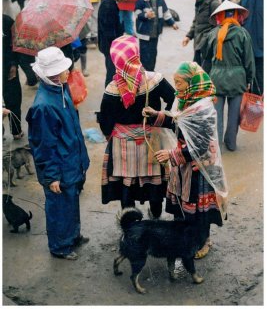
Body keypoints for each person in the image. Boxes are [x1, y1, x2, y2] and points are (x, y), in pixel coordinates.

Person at [143, 61, 228, 259]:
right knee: (184, 208)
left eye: (179, 83)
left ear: (192, 84)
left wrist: (172, 155)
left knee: (200, 211)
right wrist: (156, 115)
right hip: (184, 166)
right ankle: (184, 240)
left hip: (201, 169)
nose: (177, 87)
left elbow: (201, 146)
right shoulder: (184, 102)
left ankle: (203, 241)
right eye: (175, 82)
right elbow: (176, 122)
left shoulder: (204, 109)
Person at [98, 35, 176, 218]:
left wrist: (109, 134)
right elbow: (174, 98)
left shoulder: (112, 89)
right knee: (154, 179)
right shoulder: (154, 80)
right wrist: (164, 119)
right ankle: (155, 215)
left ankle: (130, 221)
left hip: (122, 143)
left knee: (127, 182)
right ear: (136, 55)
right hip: (152, 139)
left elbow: (105, 120)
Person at [26, 47, 90, 260]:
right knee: (59, 206)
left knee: (71, 200)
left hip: (70, 160)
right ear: (53, 74)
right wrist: (51, 175)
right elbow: (43, 146)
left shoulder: (60, 90)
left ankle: (72, 235)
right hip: (60, 166)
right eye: (63, 70)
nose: (67, 72)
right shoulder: (43, 106)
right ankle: (60, 246)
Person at [202, 0, 255, 151]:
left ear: (220, 16)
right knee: (234, 115)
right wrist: (249, 79)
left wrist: (205, 80)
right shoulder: (243, 34)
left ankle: (216, 147)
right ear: (237, 15)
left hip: (216, 79)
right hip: (238, 80)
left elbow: (206, 59)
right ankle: (231, 145)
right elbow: (249, 61)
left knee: (216, 115)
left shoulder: (213, 34)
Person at [135, 0, 179, 71]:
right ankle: (144, 72)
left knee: (153, 53)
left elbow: (166, 13)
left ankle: (151, 70)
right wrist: (146, 15)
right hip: (144, 33)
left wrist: (172, 23)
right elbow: (137, 13)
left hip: (155, 33)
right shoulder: (141, 0)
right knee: (144, 53)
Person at [98, 0, 133, 87]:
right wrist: (118, 44)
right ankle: (109, 96)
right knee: (111, 74)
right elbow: (109, 31)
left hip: (110, 45)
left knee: (113, 72)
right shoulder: (109, 5)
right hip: (110, 47)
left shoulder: (110, 1)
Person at [182, 0, 220, 66]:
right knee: (196, 70)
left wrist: (209, 40)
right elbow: (196, 21)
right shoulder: (199, 2)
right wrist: (189, 36)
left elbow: (219, 25)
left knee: (204, 71)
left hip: (207, 45)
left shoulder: (214, 4)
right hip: (198, 43)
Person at [240, 0, 263, 95]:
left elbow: (238, 23)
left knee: (247, 77)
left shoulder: (245, 0)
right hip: (262, 47)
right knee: (261, 77)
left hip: (246, 45)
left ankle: (249, 104)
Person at [2, 14, 23, 140]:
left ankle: (16, 130)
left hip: (8, 68)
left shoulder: (6, 21)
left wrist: (14, 64)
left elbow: (16, 43)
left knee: (13, 99)